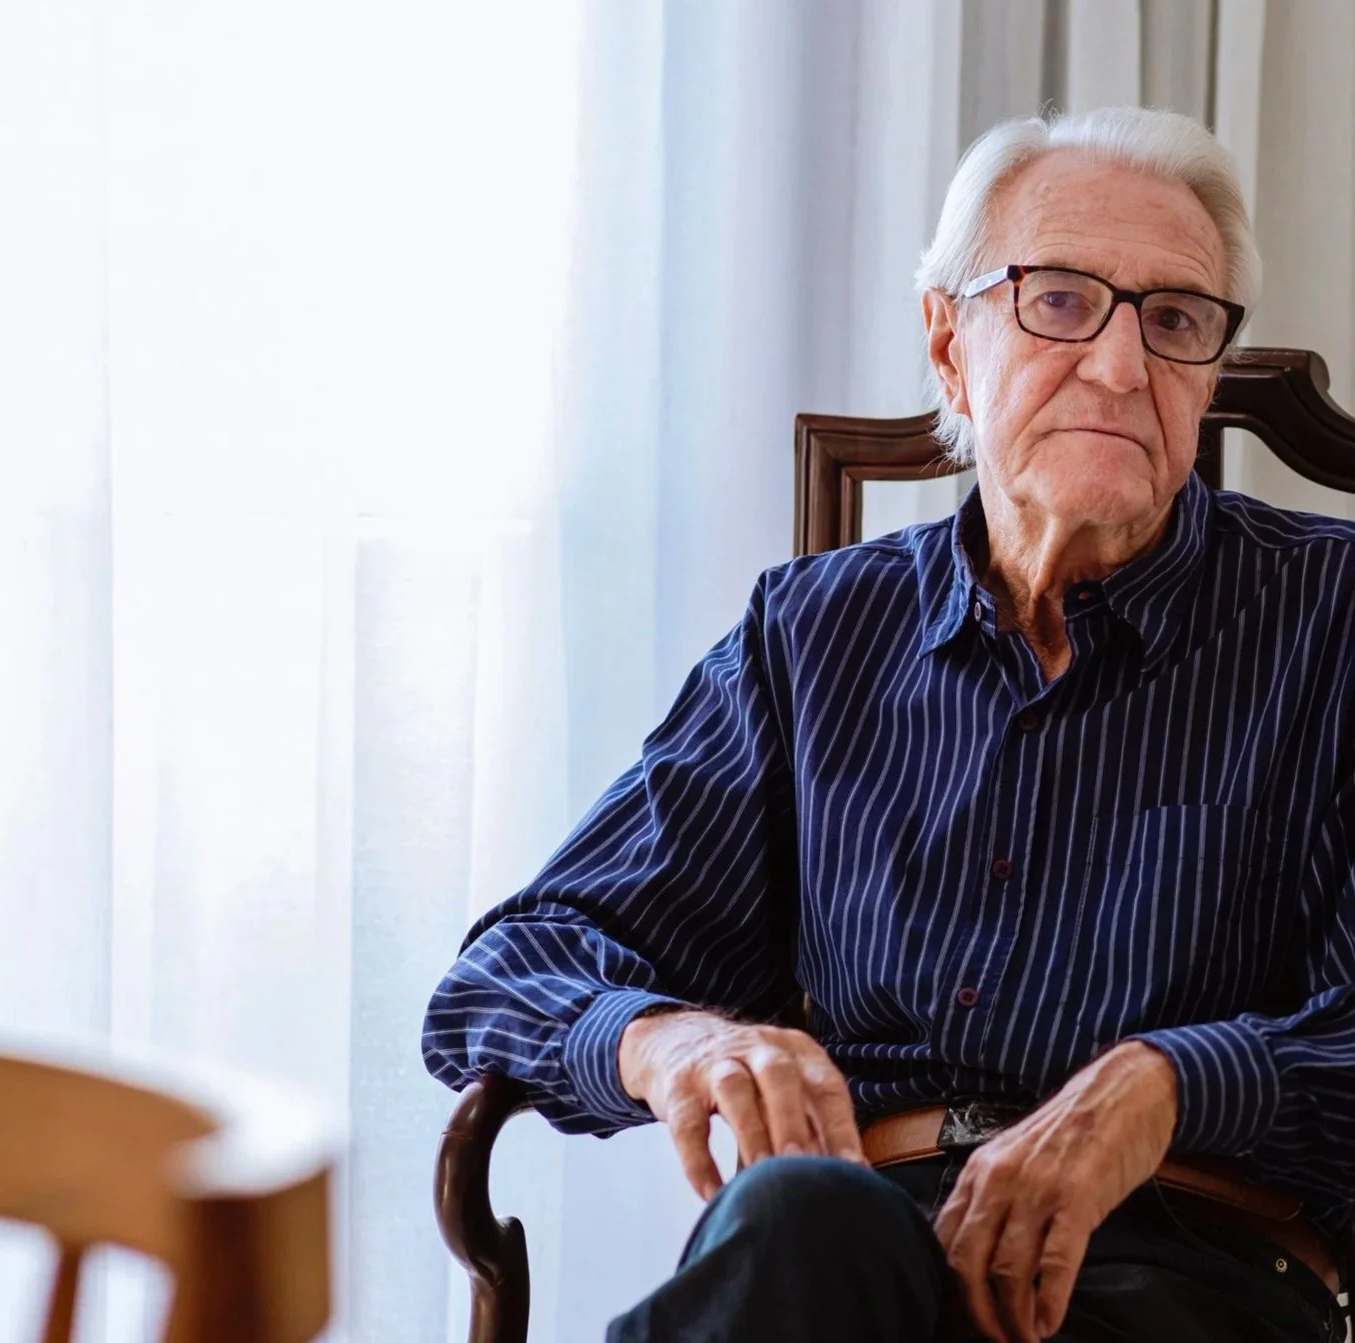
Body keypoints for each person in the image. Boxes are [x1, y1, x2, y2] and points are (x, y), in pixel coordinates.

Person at [422, 106, 1355, 1342]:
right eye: (1060, 299)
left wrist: (1168, 1081)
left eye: (1174, 319)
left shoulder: (1331, 617)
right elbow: (504, 972)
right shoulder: (812, 635)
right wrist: (672, 1041)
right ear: (947, 342)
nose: (1123, 367)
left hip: (1177, 1256)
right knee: (801, 1221)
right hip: (846, 1239)